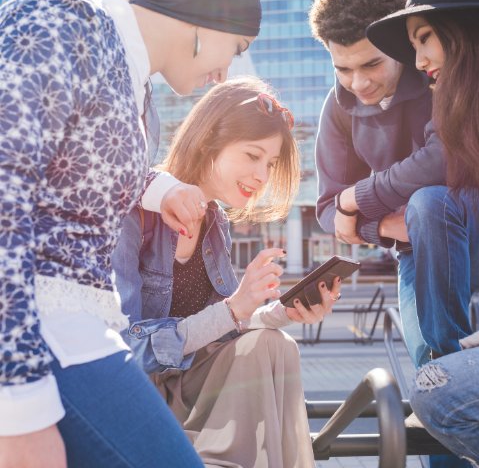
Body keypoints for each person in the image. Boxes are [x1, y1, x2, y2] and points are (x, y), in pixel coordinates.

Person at [0, 0, 264, 467]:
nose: (225, 71)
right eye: (236, 47)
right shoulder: (66, 18)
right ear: (206, 15)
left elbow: (70, 159)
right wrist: (17, 404)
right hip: (35, 327)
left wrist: (157, 188)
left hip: (77, 327)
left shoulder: (136, 87)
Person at [311, 0, 479, 467]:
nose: (359, 82)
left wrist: (362, 201)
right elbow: (330, 208)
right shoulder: (341, 108)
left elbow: (447, 159)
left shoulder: (440, 72)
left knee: (429, 202)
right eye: (343, 69)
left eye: (371, 63)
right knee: (432, 383)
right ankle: (447, 395)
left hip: (478, 232)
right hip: (418, 247)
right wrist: (378, 221)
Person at [112, 76, 341, 468]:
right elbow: (124, 348)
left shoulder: (216, 224)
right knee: (268, 345)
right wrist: (235, 308)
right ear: (208, 145)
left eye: (269, 164)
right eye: (253, 156)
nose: (263, 176)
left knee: (275, 342)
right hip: (143, 391)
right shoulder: (135, 212)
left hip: (196, 384)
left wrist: (285, 312)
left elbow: (226, 327)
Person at [366, 0, 479, 465]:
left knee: (436, 395)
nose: (420, 58)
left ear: (466, 28)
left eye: (425, 36)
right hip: (431, 251)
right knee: (437, 378)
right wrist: (473, 348)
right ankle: (445, 367)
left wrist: (356, 202)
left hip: (464, 245)